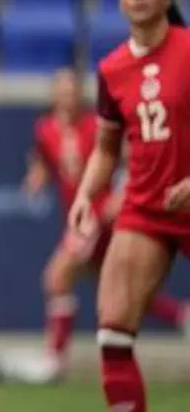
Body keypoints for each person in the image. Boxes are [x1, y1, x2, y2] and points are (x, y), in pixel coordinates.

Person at [69, 0, 190, 412]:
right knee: (113, 330)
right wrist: (86, 194)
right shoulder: (113, 69)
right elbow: (105, 148)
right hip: (146, 208)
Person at [24, 67, 190, 382]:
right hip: (78, 218)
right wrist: (37, 178)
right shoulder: (45, 128)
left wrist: (120, 194)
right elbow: (45, 161)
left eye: (72, 89)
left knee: (57, 277)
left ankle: (56, 359)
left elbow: (127, 160)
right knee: (120, 292)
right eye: (61, 89)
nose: (67, 95)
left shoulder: (95, 126)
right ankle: (183, 316)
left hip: (99, 216)